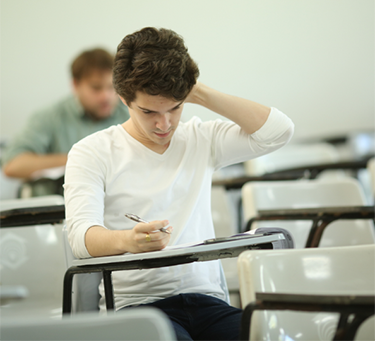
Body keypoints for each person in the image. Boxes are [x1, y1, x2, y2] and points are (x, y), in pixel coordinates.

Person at [64, 27, 294, 341]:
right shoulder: (92, 152)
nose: (164, 124)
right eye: (148, 111)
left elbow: (278, 131)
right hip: (138, 306)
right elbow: (80, 236)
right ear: (123, 98)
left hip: (207, 300)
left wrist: (197, 92)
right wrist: (127, 241)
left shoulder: (201, 138)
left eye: (175, 107)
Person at [2, 48, 129, 196]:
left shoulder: (129, 114)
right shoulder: (50, 117)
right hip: (59, 212)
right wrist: (79, 158)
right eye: (96, 88)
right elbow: (13, 166)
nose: (106, 96)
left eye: (111, 87)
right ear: (75, 84)